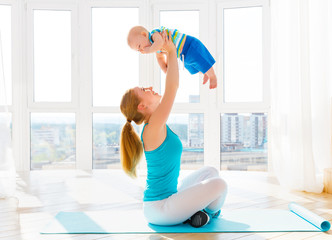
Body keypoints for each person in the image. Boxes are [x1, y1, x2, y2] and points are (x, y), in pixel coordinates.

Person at [120, 31, 227, 228]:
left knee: (211, 171)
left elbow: (170, 76)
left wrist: (163, 53)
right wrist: (170, 50)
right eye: (144, 90)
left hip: (171, 198)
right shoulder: (152, 128)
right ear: (141, 107)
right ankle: (207, 213)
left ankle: (196, 213)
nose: (150, 87)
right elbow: (173, 86)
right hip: (160, 209)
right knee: (220, 185)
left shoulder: (155, 124)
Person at [127, 25, 218, 89]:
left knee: (200, 60)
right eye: (139, 50)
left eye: (139, 46)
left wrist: (149, 50)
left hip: (189, 45)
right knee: (192, 66)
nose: (142, 49)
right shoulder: (155, 48)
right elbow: (160, 58)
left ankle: (212, 76)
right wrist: (165, 69)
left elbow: (160, 43)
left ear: (144, 34)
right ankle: (205, 73)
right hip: (183, 54)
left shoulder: (154, 35)